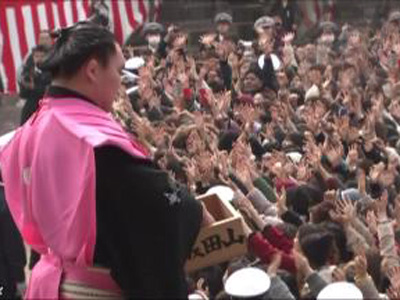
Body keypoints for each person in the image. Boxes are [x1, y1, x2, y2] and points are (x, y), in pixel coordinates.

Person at [0, 22, 204, 299]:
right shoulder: (91, 140)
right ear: (93, 70)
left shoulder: (27, 133)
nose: (121, 82)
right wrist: (191, 207)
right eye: (119, 71)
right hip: (90, 289)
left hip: (51, 276)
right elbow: (157, 204)